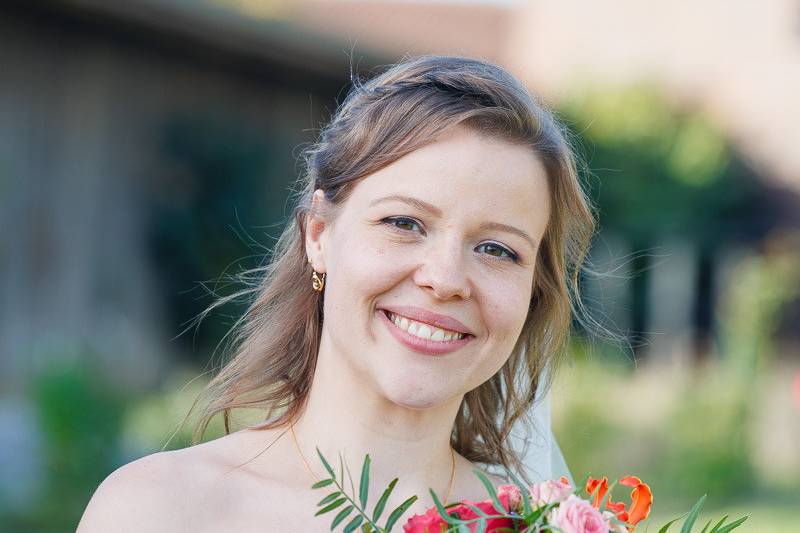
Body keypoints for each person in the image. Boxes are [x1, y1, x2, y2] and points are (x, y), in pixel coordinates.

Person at [77, 54, 595, 532]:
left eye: (498, 250)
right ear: (319, 236)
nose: (445, 278)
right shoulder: (157, 511)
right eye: (404, 222)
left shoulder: (539, 524)